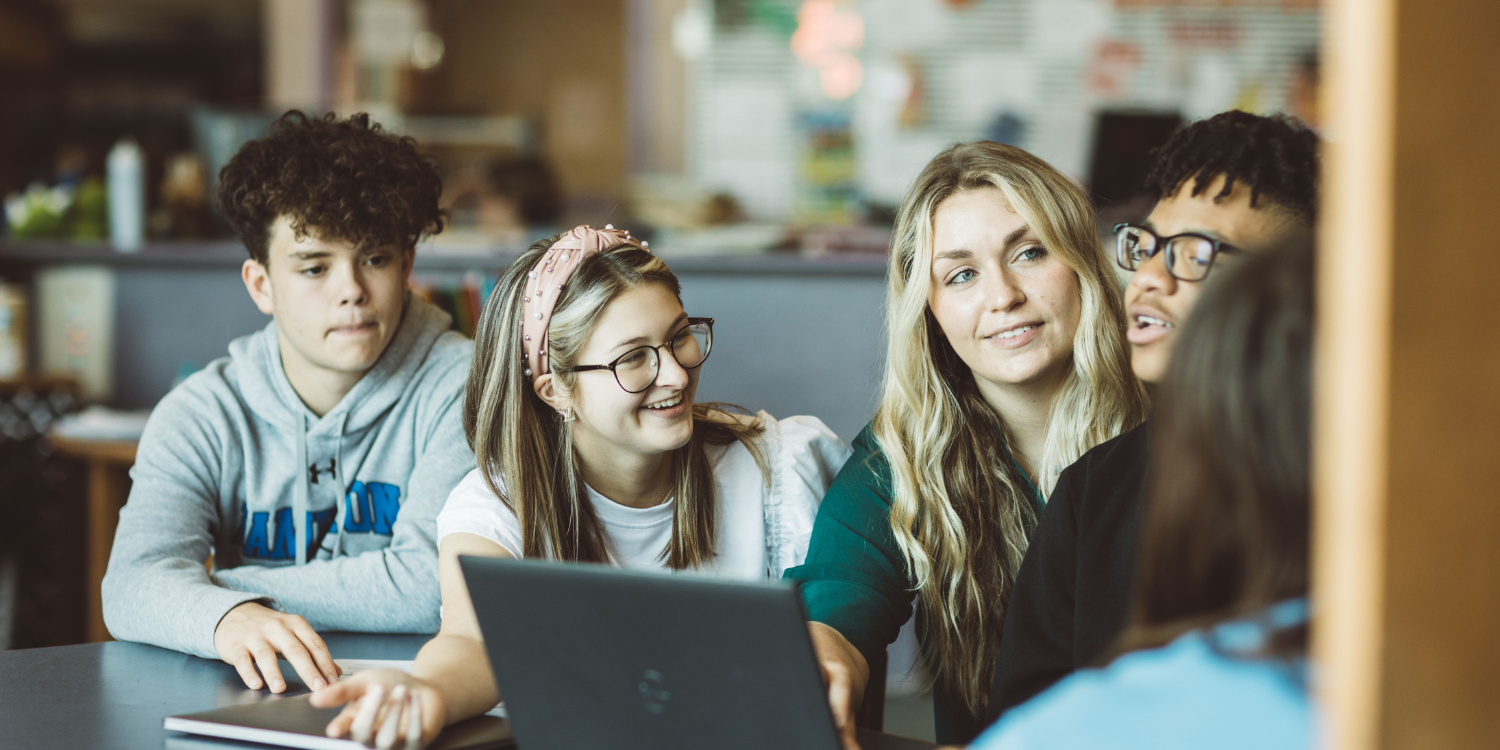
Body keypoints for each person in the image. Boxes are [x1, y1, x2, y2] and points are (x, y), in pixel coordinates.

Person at [308, 225, 851, 747]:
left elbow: (841, 640)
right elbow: (474, 641)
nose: (676, 374)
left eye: (679, 336)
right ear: (556, 391)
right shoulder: (498, 507)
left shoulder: (781, 467)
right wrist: (425, 688)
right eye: (633, 358)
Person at [784, 141, 1149, 746]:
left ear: (1082, 259)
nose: (1003, 296)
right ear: (928, 309)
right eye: (962, 275)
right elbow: (842, 591)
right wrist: (825, 658)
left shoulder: (1173, 423)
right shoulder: (904, 455)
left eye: (1029, 252)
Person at [102, 111, 474, 695]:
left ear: (407, 266)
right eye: (315, 267)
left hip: (421, 695)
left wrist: (215, 592)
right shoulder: (203, 413)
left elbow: (433, 587)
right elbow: (129, 586)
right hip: (255, 697)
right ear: (262, 285)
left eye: (374, 259)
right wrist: (224, 619)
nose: (351, 291)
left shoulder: (464, 387)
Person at [987, 111, 1320, 721]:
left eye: (1195, 253)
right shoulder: (1094, 490)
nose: (1147, 280)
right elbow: (1029, 715)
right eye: (1147, 247)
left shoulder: (1358, 492)